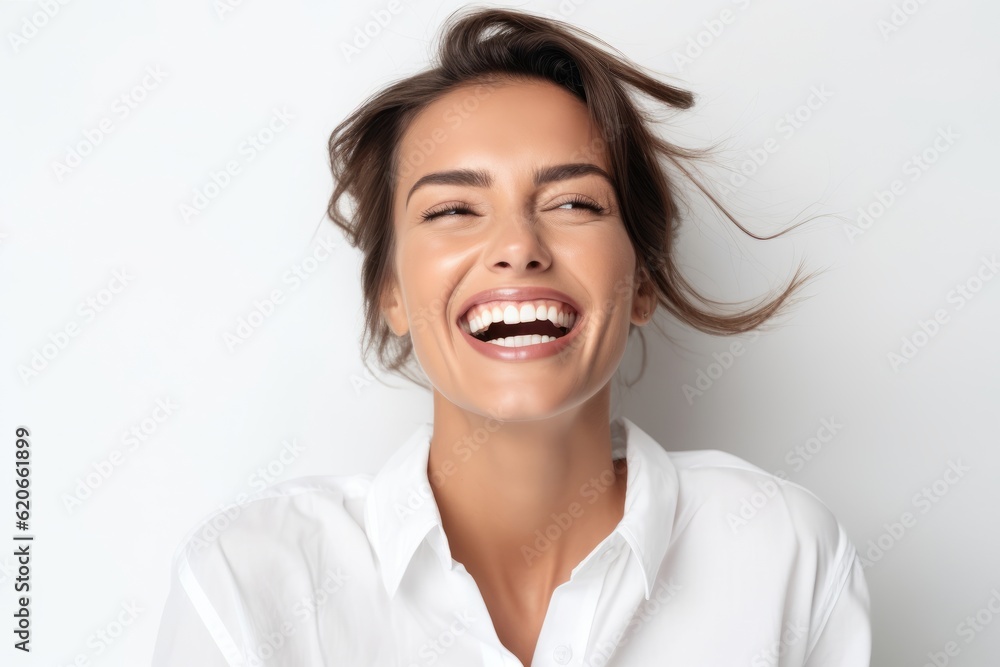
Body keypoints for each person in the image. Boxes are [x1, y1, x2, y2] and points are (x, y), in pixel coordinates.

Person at [152, 6, 870, 666]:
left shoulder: (781, 554)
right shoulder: (248, 582)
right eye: (454, 209)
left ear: (644, 280)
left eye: (573, 201)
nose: (518, 246)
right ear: (391, 293)